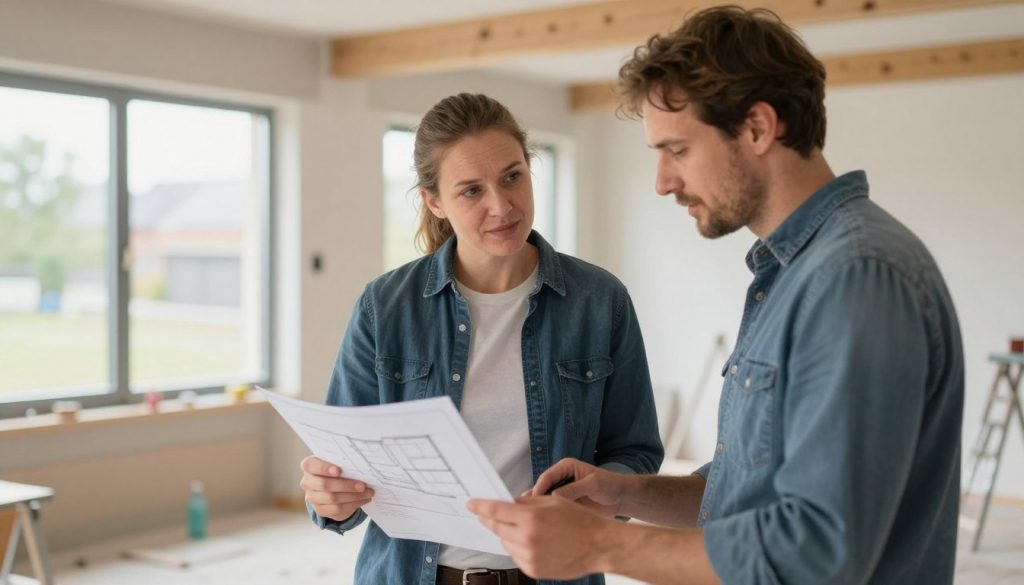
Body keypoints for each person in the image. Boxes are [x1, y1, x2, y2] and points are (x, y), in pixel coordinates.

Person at [469, 6, 964, 584]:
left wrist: (601, 545)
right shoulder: (796, 272)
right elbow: (750, 493)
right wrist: (622, 493)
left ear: (757, 127)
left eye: (677, 150)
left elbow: (816, 551)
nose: (662, 182)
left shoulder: (855, 276)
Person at [299, 93, 664, 585]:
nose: (501, 205)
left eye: (513, 176)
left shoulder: (600, 301)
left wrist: (592, 504)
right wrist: (329, 497)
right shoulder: (384, 307)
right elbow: (343, 470)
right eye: (471, 190)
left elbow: (635, 449)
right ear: (435, 201)